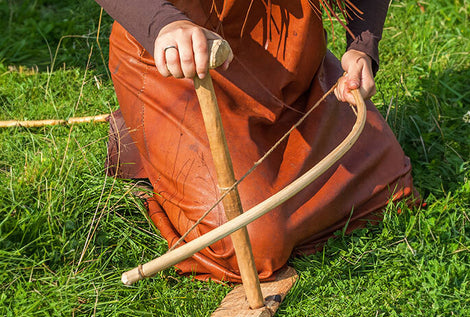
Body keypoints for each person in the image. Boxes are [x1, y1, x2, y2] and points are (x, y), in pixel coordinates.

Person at [96, 0, 416, 282]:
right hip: (181, 59)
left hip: (291, 57)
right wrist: (164, 22)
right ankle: (145, 132)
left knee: (389, 186)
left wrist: (361, 47)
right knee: (251, 245)